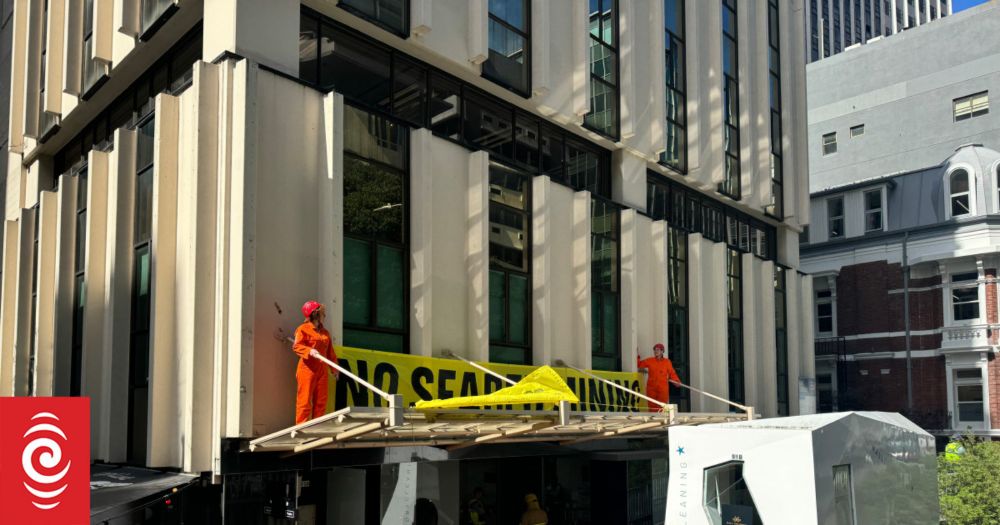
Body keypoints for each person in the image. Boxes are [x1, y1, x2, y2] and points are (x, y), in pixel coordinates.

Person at [292, 300, 338, 424]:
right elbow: (297, 346)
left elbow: (330, 353)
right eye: (321, 312)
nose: (324, 315)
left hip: (322, 370)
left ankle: (317, 428)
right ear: (314, 314)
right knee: (305, 401)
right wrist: (309, 351)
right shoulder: (302, 329)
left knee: (321, 401)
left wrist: (334, 369)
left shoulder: (325, 332)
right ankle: (302, 429)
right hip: (307, 369)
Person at [637, 343, 681, 412]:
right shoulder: (650, 360)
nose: (655, 351)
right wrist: (637, 356)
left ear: (662, 351)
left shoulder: (667, 362)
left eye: (658, 350)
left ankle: (662, 420)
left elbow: (672, 373)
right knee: (652, 407)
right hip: (651, 388)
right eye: (654, 350)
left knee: (662, 406)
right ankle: (654, 420)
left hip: (663, 388)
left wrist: (676, 381)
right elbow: (639, 364)